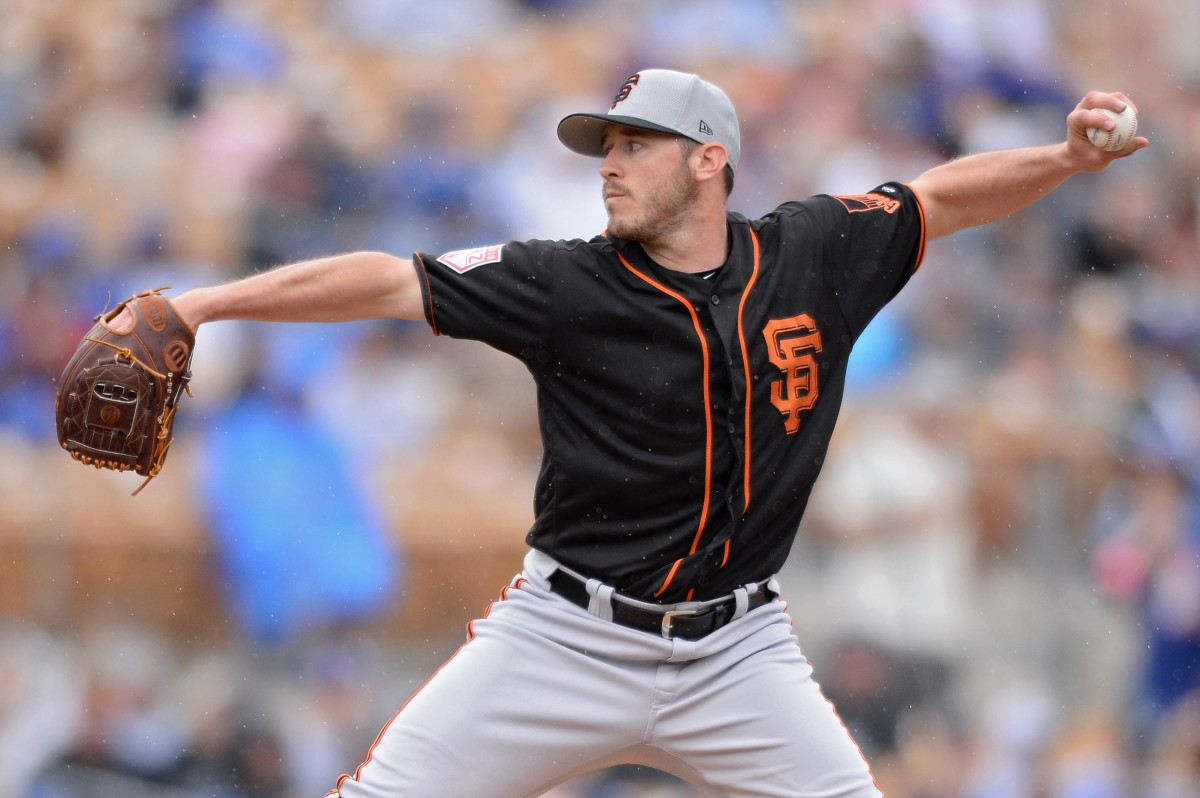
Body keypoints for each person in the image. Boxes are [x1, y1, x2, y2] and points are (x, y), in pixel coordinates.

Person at [115, 69, 1146, 797]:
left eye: (635, 146)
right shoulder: (562, 281)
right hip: (564, 636)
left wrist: (1061, 157)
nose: (609, 165)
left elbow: (941, 199)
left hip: (739, 650)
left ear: (710, 161)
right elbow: (389, 278)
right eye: (605, 147)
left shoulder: (810, 255)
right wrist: (205, 305)